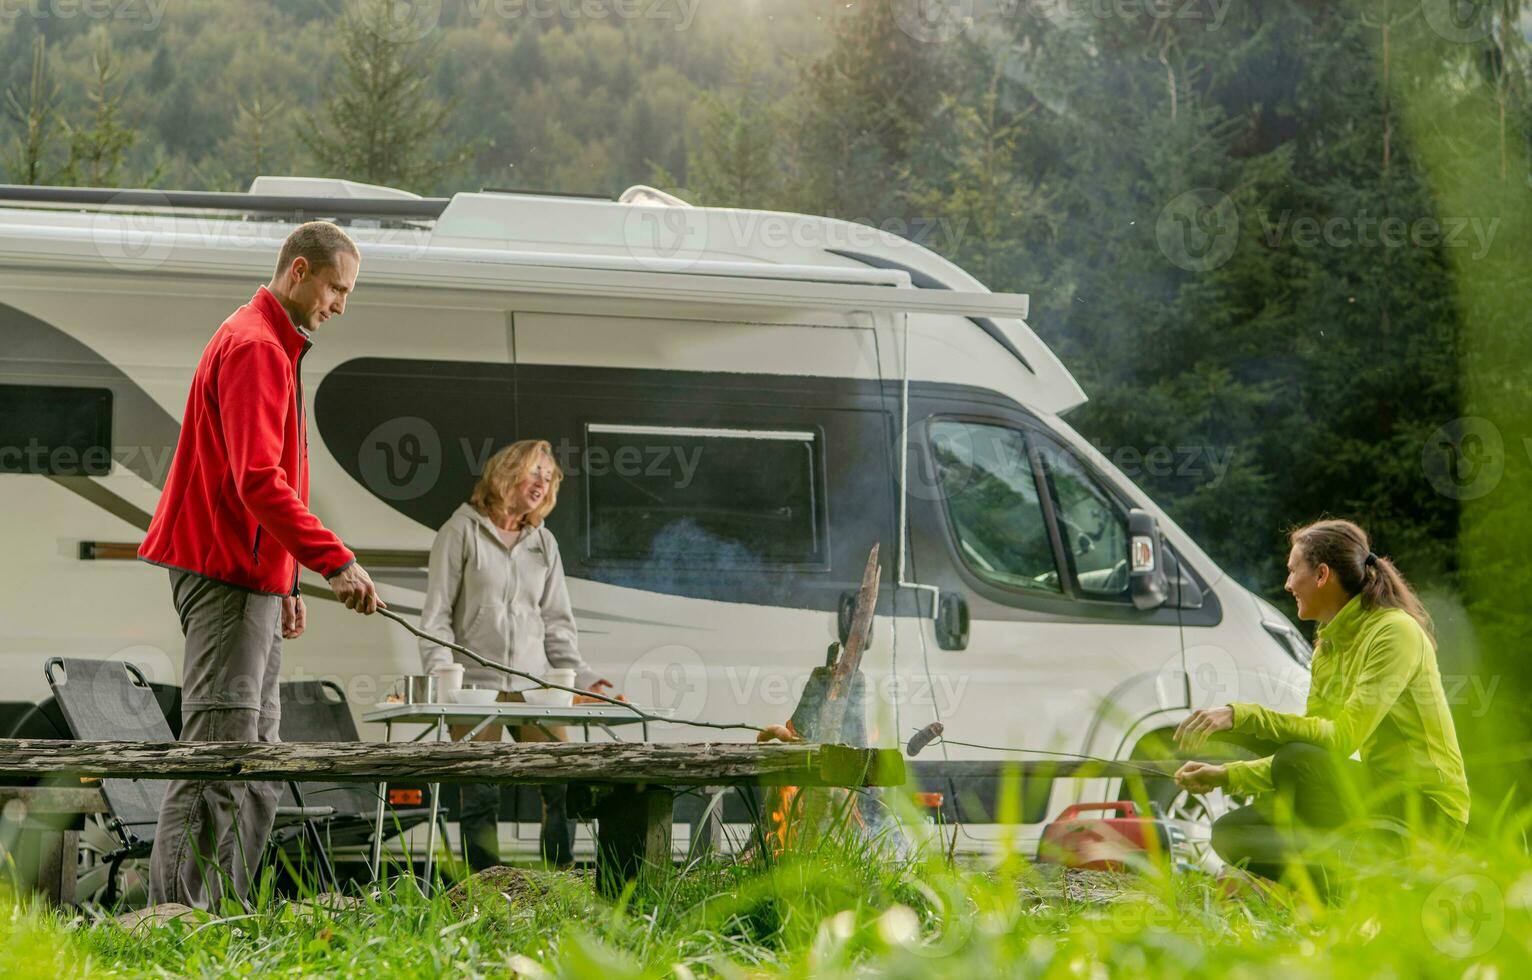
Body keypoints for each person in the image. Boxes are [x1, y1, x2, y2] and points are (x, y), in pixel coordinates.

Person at [137, 221, 384, 909]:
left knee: (259, 764)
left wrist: (287, 578)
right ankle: (174, 921)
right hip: (222, 576)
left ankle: (230, 916)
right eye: (338, 288)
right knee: (217, 759)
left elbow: (259, 485)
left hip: (250, 578)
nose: (341, 304)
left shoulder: (270, 342)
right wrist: (334, 562)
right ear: (300, 271)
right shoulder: (254, 346)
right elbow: (256, 479)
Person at [1173, 518, 1469, 886]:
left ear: (1322, 574)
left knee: (1297, 759)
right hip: (1379, 797)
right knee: (1233, 832)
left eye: (1293, 570)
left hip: (1429, 811)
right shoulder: (1327, 650)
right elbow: (1311, 749)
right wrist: (1227, 775)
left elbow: (1340, 738)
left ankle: (1367, 884)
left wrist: (1240, 716)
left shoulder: (1394, 632)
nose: (1287, 583)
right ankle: (1333, 893)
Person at [420, 439, 612, 869]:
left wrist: (583, 678)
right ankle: (484, 896)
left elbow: (559, 626)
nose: (543, 482)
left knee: (561, 783)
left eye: (550, 476)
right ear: (507, 473)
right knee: (481, 793)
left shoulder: (544, 544)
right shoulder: (460, 531)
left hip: (535, 687)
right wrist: (442, 682)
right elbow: (434, 619)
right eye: (535, 472)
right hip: (474, 690)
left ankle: (559, 884)